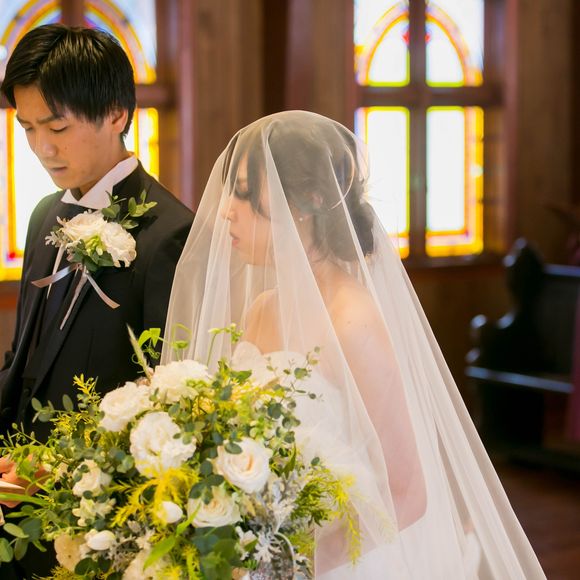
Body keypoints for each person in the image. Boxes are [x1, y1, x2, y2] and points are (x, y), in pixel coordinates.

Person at [162, 110, 546, 578]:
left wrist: (290, 565)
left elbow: (407, 492)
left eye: (243, 192)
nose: (226, 210)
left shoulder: (352, 320)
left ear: (306, 202)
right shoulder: (262, 308)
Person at [0, 24, 193, 578]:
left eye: (57, 126)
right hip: (15, 504)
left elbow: (168, 405)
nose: (42, 147)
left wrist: (59, 470)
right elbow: (25, 359)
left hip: (93, 525)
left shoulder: (171, 234)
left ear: (115, 113)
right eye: (28, 128)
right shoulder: (44, 214)